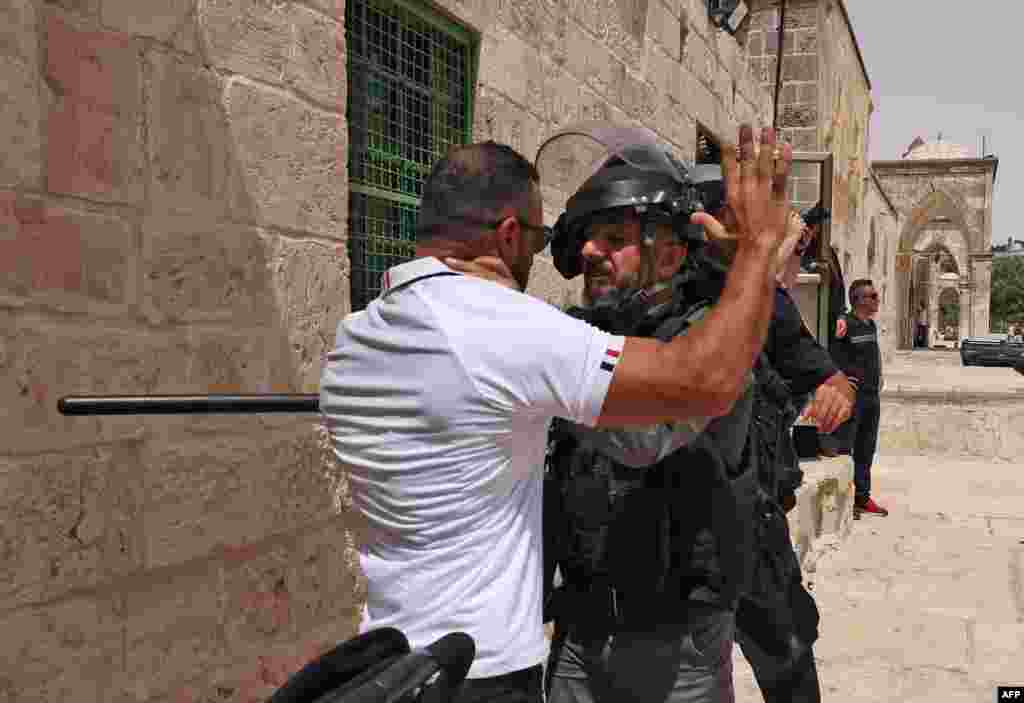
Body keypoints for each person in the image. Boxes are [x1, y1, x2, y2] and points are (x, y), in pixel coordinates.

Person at [319, 125, 795, 702]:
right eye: (562, 238)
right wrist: (757, 255)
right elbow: (690, 381)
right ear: (508, 234)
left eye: (613, 238)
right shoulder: (526, 334)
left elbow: (653, 429)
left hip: (663, 632)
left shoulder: (356, 338)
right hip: (528, 647)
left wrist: (740, 280)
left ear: (670, 254)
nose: (587, 252)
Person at [734, 208, 855, 703]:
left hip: (751, 517)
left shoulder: (773, 306)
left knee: (786, 656)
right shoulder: (728, 294)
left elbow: (832, 379)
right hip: (690, 524)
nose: (798, 260)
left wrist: (837, 390)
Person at [832, 279, 888, 517]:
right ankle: (844, 501)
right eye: (872, 296)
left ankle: (862, 498)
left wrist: (880, 374)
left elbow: (874, 354)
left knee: (866, 449)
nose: (877, 299)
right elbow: (835, 358)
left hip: (872, 396)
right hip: (853, 397)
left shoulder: (870, 326)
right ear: (859, 300)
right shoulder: (846, 324)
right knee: (846, 447)